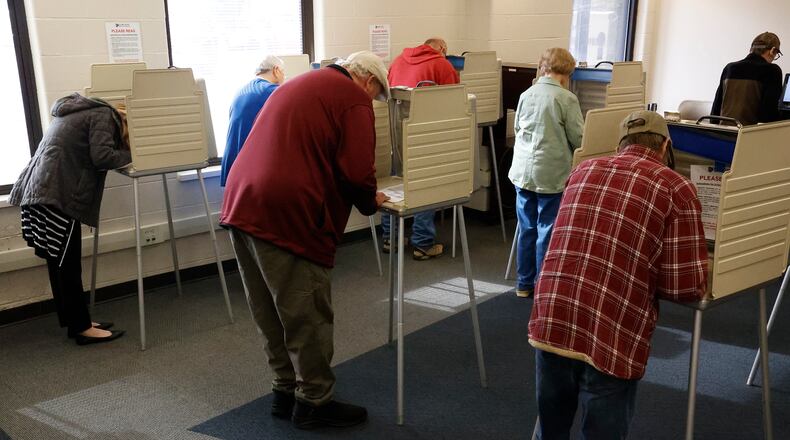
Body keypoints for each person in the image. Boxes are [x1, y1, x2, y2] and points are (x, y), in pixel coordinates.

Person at [220, 51, 390, 429]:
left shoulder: (297, 83)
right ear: (368, 81)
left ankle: (284, 389)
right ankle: (314, 400)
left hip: (241, 201)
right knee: (305, 310)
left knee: (268, 306)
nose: (373, 103)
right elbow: (358, 170)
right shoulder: (353, 99)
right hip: (286, 211)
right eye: (377, 94)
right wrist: (370, 201)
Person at [529, 111, 708, 439]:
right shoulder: (676, 187)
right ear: (666, 145)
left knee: (550, 429)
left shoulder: (582, 169)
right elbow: (685, 287)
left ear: (620, 144)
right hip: (610, 330)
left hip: (551, 317)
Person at [9, 93, 131, 345]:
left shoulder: (79, 111)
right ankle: (82, 328)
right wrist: (134, 154)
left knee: (59, 262)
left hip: (41, 192)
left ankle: (74, 321)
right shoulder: (104, 116)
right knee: (68, 264)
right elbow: (103, 157)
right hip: (55, 195)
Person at [507, 47, 584, 298]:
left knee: (526, 226)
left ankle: (523, 283)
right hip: (551, 173)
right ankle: (544, 285)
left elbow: (518, 128)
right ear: (566, 73)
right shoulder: (566, 99)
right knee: (546, 229)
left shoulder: (526, 94)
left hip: (523, 172)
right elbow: (579, 138)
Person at [380, 37, 460, 260]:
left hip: (395, 132)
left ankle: (391, 238)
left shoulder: (397, 61)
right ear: (442, 49)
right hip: (426, 133)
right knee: (426, 182)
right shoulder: (442, 65)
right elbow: (455, 102)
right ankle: (423, 244)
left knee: (397, 180)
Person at [220, 55, 285, 186]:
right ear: (276, 70)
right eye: (284, 73)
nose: (284, 77)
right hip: (249, 167)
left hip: (232, 163)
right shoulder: (271, 91)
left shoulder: (242, 90)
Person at [712, 32, 784, 125]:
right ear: (773, 50)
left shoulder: (729, 68)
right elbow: (769, 115)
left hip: (722, 134)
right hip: (749, 136)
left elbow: (715, 110)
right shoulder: (772, 70)